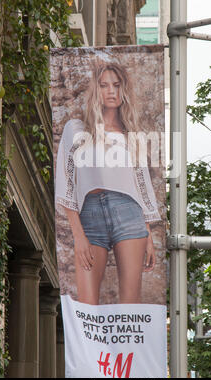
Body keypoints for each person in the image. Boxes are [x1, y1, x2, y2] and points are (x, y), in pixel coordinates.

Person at [55, 62, 162, 305]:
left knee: (130, 304)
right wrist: (78, 235)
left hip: (129, 213)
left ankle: (128, 346)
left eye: (116, 85)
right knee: (87, 306)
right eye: (104, 85)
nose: (111, 91)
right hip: (89, 213)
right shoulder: (77, 129)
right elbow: (68, 183)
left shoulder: (130, 134)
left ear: (124, 89)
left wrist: (147, 235)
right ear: (96, 90)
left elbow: (141, 185)